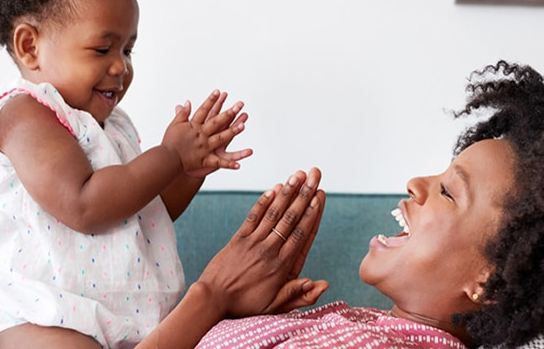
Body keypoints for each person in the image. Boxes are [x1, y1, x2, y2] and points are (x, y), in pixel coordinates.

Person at [0, 0, 330, 348]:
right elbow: (84, 204)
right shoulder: (27, 113)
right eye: (102, 49)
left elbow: (144, 212)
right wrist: (171, 155)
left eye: (128, 50)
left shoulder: (116, 125)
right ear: (30, 46)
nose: (120, 67)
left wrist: (188, 171)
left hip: (121, 323)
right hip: (37, 317)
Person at [192, 60, 544, 349]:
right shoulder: (372, 328)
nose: (417, 184)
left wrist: (212, 295)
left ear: (487, 282)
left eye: (448, 192)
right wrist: (245, 316)